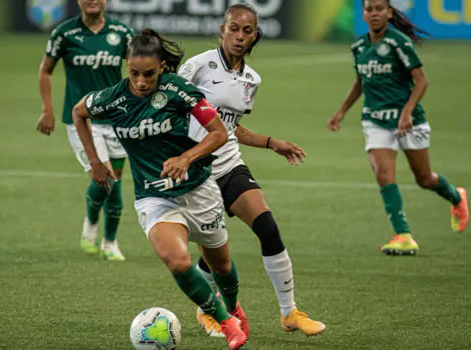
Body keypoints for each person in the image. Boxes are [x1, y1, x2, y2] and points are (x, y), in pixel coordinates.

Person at [72, 28, 250, 349]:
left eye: (149, 74)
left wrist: (186, 157)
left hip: (198, 188)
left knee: (221, 265)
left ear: (162, 67)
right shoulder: (112, 98)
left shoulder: (178, 90)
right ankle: (226, 322)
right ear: (126, 65)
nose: (141, 82)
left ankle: (234, 307)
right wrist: (95, 162)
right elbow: (78, 111)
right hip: (154, 196)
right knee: (178, 261)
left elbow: (218, 133)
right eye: (135, 74)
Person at [178, 3, 326, 337]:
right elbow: (170, 107)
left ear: (255, 35)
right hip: (197, 173)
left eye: (247, 30)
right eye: (234, 28)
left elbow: (230, 128)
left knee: (268, 227)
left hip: (230, 163)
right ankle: (207, 311)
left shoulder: (252, 79)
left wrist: (272, 143)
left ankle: (289, 313)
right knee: (214, 255)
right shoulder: (197, 67)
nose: (240, 36)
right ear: (222, 29)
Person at [327, 0, 469, 255]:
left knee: (424, 179)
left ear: (389, 12)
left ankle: (457, 197)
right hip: (375, 119)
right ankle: (403, 234)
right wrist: (342, 111)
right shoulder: (359, 45)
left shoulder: (399, 42)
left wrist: (407, 111)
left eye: (379, 9)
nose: (374, 14)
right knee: (383, 172)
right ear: (363, 14)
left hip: (408, 121)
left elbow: (422, 80)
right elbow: (361, 81)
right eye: (369, 9)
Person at [37, 0, 134, 261]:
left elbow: (139, 70)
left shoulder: (123, 33)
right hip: (82, 120)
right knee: (106, 179)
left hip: (116, 118)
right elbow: (46, 70)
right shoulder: (64, 33)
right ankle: (107, 239)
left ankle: (97, 231)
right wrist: (48, 109)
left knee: (112, 180)